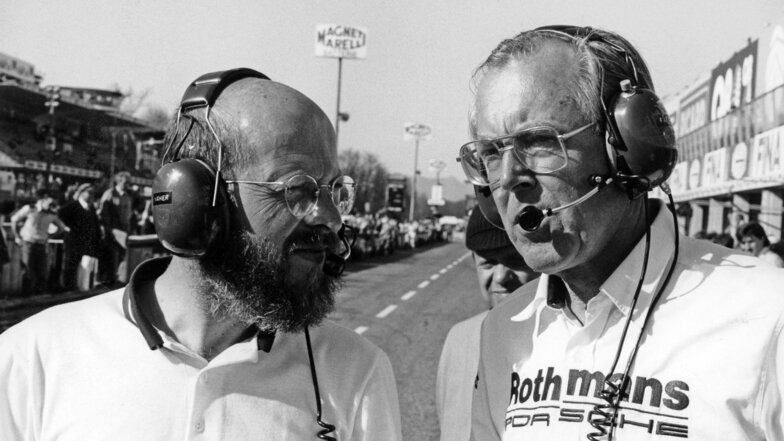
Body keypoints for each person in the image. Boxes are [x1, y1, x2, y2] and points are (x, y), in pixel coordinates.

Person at [0, 68, 401, 441]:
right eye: (297, 189)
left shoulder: (357, 373)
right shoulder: (31, 359)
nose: (330, 219)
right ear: (195, 199)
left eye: (334, 191)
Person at [459, 26, 784, 440]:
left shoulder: (770, 314)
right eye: (490, 153)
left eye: (539, 141)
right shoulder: (504, 331)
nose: (507, 178)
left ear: (628, 146)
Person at [436, 207, 537, 441]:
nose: (501, 277)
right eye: (488, 263)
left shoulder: (573, 336)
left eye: (515, 260)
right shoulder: (461, 338)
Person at [9, 189, 68, 295]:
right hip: (28, 242)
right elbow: (14, 219)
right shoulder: (30, 208)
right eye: (50, 202)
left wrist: (49, 236)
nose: (52, 204)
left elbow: (61, 227)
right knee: (28, 269)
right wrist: (17, 236)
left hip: (41, 244)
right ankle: (26, 295)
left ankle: (39, 295)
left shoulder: (51, 214)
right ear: (44, 199)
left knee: (42, 271)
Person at [98, 170, 141, 284]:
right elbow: (103, 213)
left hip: (125, 231)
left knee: (123, 256)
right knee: (112, 256)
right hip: (113, 231)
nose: (127, 185)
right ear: (119, 181)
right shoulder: (110, 194)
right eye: (125, 182)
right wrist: (109, 229)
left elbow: (131, 213)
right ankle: (109, 279)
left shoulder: (129, 195)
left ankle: (119, 279)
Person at [58, 182, 103, 291]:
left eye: (93, 193)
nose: (92, 196)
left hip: (87, 243)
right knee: (71, 265)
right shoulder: (71, 207)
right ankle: (68, 288)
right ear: (81, 193)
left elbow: (95, 226)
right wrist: (67, 229)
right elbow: (59, 217)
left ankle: (80, 288)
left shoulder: (91, 209)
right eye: (89, 193)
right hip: (73, 243)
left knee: (84, 268)